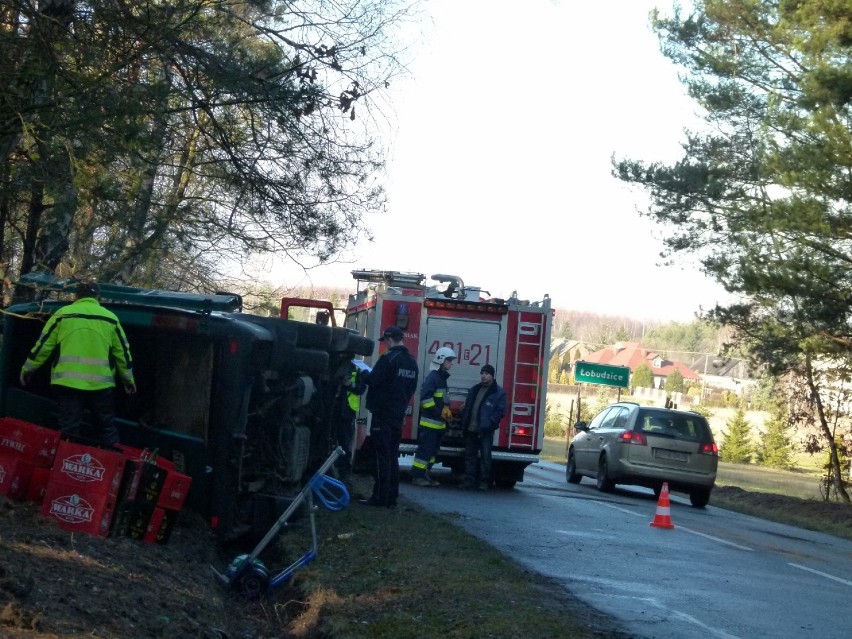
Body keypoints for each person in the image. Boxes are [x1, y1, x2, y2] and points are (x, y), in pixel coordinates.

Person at [19, 280, 136, 447]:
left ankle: (66, 466)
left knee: (69, 431)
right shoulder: (111, 319)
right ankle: (108, 465)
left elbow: (43, 346)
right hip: (101, 386)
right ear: (97, 296)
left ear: (76, 295)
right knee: (106, 430)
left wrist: (27, 369)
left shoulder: (62, 315)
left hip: (67, 383)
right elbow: (123, 353)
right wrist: (128, 380)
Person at [361, 325, 418, 508]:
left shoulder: (388, 359)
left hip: (382, 415)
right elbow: (411, 389)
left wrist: (362, 374)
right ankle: (391, 498)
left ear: (389, 340)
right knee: (393, 457)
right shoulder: (411, 362)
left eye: (385, 341)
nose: (384, 345)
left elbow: (373, 380)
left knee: (381, 457)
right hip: (397, 415)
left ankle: (379, 498)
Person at [411, 347, 456, 487]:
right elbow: (426, 399)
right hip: (430, 424)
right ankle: (417, 477)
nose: (451, 363)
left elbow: (442, 399)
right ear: (441, 360)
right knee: (424, 452)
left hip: (438, 425)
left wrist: (447, 410)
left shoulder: (441, 378)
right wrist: (439, 412)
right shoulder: (433, 377)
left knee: (431, 453)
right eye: (449, 360)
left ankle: (425, 475)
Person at [460, 364, 506, 491]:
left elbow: (500, 412)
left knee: (486, 457)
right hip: (471, 429)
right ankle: (469, 481)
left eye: (486, 373)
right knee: (470, 456)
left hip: (485, 431)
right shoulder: (474, 389)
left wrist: (489, 424)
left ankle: (484, 482)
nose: (483, 376)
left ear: (492, 375)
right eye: (482, 373)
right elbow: (468, 406)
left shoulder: (498, 393)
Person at [330, 358, 367, 488]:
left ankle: (344, 476)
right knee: (328, 442)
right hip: (331, 410)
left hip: (346, 413)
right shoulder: (333, 361)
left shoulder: (358, 367)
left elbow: (361, 388)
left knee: (345, 445)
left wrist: (350, 384)